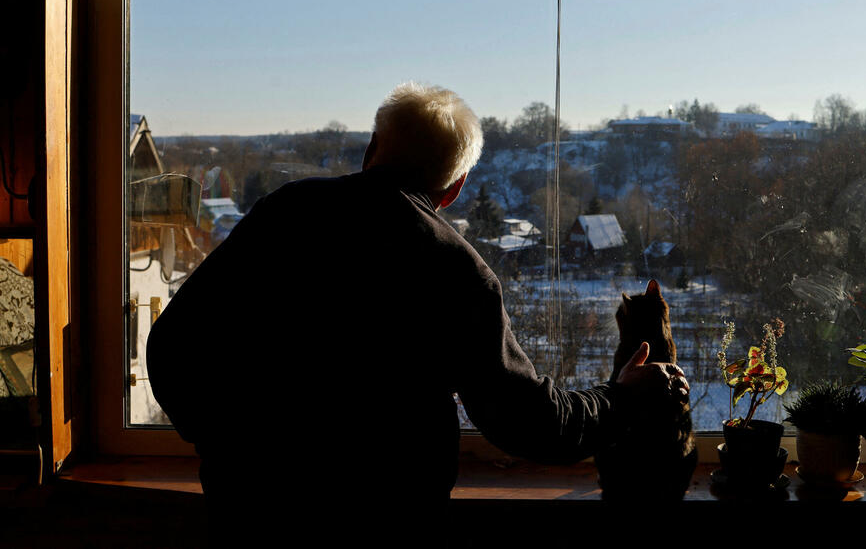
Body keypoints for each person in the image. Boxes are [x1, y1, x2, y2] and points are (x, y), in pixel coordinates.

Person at [146, 82, 688, 529]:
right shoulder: (457, 271)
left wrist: (227, 447)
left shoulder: (284, 215)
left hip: (250, 514)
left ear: (370, 150)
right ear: (454, 187)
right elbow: (527, 422)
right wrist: (620, 398)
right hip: (387, 526)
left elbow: (172, 346)